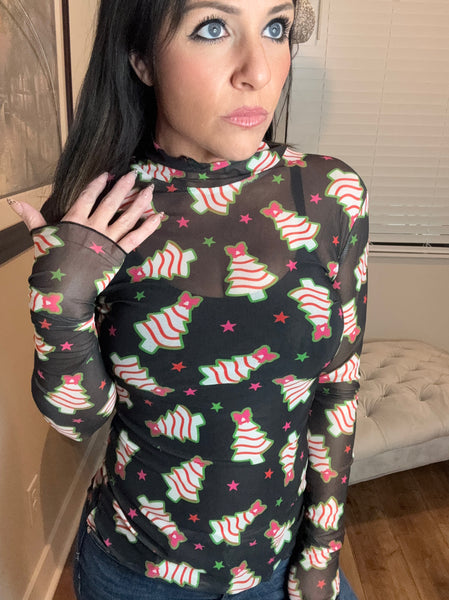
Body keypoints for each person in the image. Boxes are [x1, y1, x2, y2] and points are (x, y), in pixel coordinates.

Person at [9, 1, 368, 598]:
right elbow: (79, 422)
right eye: (213, 28)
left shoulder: (331, 196)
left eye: (275, 28)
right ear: (141, 59)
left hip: (279, 566)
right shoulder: (103, 212)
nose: (259, 70)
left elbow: (338, 385)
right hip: (136, 573)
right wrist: (61, 307)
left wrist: (322, 553)